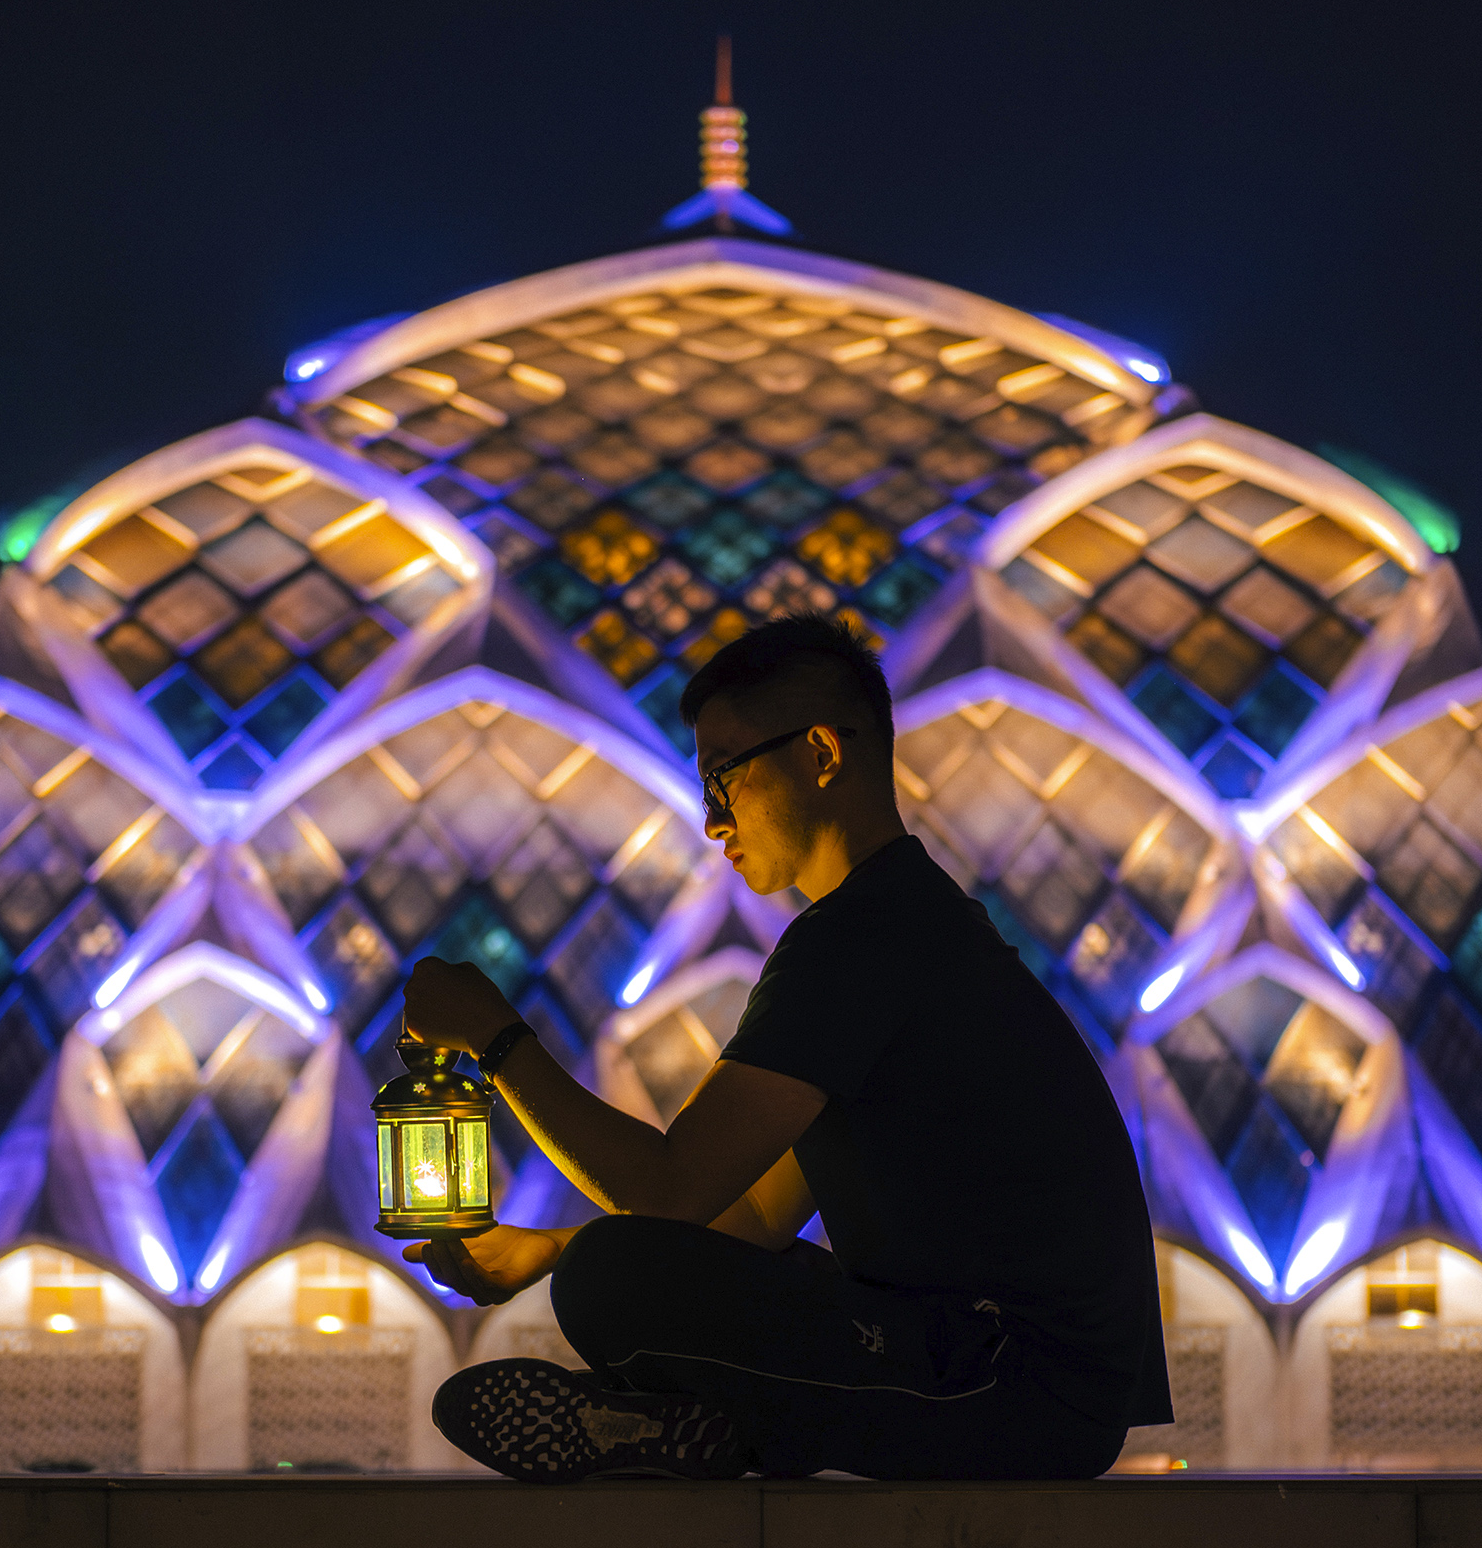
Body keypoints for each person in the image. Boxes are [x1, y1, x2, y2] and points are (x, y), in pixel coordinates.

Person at [402, 611, 1172, 1483]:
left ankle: (688, 1426)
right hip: (1015, 1379)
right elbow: (752, 1216)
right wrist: (551, 1245)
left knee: (616, 1279)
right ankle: (677, 1427)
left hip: (1009, 1386)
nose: (711, 821)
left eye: (721, 780)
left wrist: (496, 1039)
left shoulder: (865, 938)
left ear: (819, 754)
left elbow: (672, 1190)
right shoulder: (909, 925)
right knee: (619, 1262)